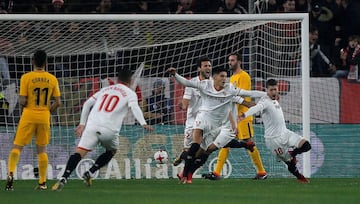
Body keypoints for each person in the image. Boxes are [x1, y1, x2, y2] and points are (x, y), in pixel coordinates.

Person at [52, 68, 153, 191]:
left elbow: (87, 104)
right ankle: (91, 171)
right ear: (130, 81)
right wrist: (143, 123)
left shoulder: (105, 89)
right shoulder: (130, 93)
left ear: (118, 79)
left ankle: (63, 178)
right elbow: (135, 107)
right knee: (112, 151)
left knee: (79, 153)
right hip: (109, 130)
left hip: (92, 126)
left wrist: (82, 124)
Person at [168, 66, 266, 184]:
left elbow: (248, 93)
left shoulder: (230, 89)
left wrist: (266, 94)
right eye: (222, 76)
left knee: (205, 152)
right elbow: (186, 83)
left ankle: (186, 166)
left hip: (216, 126)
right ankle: (187, 176)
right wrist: (175, 75)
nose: (225, 79)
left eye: (226, 76)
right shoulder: (205, 85)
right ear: (214, 77)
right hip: (202, 118)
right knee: (194, 146)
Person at [203, 52, 267, 180]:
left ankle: (261, 172)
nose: (229, 62)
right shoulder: (231, 78)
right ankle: (216, 173)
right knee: (225, 142)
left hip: (243, 117)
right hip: (233, 117)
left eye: (232, 60)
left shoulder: (244, 76)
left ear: (239, 62)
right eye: (229, 60)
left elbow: (240, 96)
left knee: (248, 143)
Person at [5, 49, 61, 190]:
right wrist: (48, 111)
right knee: (42, 150)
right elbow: (58, 102)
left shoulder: (26, 77)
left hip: (29, 114)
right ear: (46, 63)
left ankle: (11, 174)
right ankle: (42, 183)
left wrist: (24, 104)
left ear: (33, 62)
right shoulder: (52, 79)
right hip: (44, 116)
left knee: (17, 146)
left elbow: (23, 99)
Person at [238, 79, 311, 183]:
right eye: (271, 90)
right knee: (289, 163)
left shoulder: (274, 98)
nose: (273, 92)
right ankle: (299, 177)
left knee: (307, 145)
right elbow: (256, 108)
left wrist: (240, 93)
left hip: (285, 133)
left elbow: (252, 93)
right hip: (274, 140)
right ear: (267, 90)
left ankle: (292, 153)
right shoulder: (264, 101)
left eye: (275, 89)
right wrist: (244, 115)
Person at [173, 56, 212, 166]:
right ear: (199, 69)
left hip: (207, 121)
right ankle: (183, 157)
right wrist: (182, 105)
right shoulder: (191, 83)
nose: (208, 68)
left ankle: (186, 174)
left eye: (209, 66)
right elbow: (185, 102)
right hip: (192, 120)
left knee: (204, 150)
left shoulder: (214, 83)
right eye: (205, 66)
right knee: (188, 150)